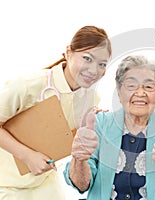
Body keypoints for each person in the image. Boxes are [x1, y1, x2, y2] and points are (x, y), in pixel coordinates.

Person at [64, 55, 155, 199]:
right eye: (131, 86)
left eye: (148, 86)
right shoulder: (100, 125)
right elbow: (81, 184)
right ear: (119, 92)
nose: (140, 93)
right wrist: (79, 159)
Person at [0, 25, 112, 199]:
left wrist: (94, 125)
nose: (94, 70)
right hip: (5, 182)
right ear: (68, 52)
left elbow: (64, 137)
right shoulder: (30, 84)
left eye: (102, 64)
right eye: (87, 59)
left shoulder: (91, 98)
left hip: (43, 181)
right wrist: (28, 156)